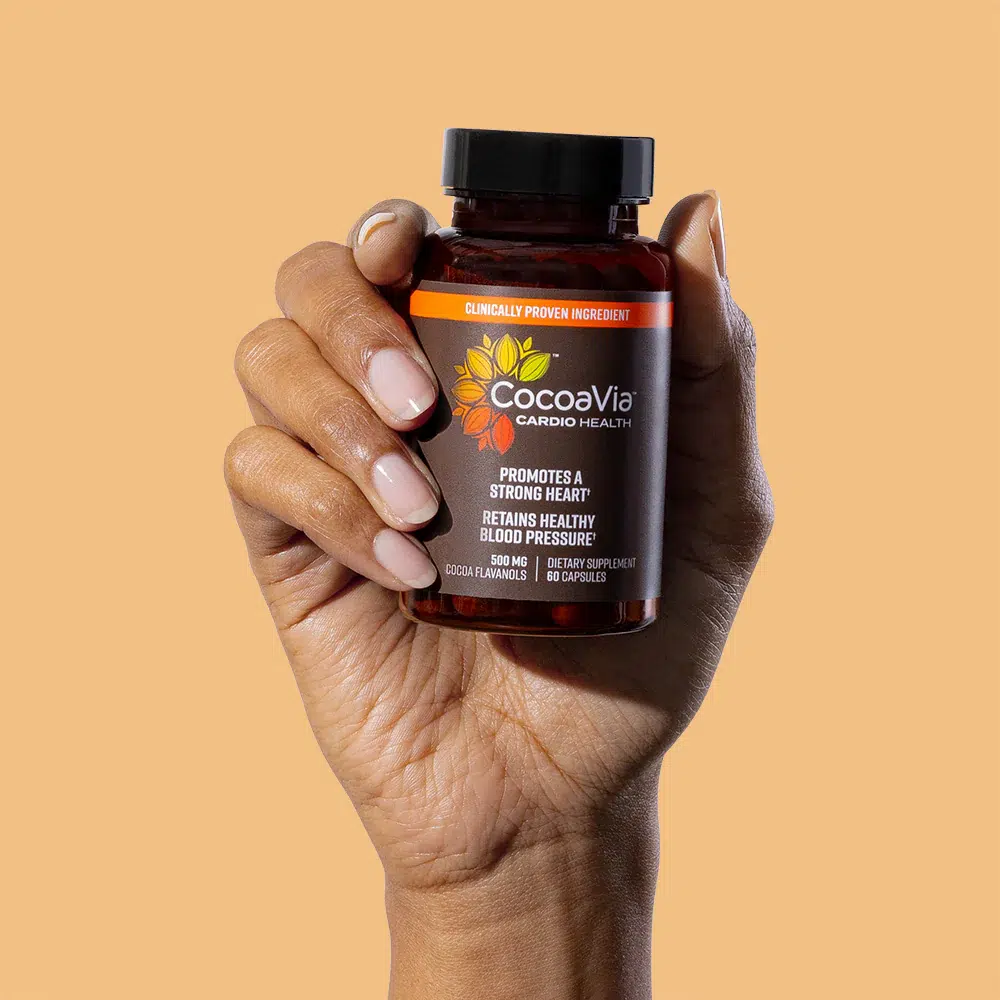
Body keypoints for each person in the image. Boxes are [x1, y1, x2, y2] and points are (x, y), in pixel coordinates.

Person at [224, 191, 773, 999]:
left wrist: (551, 854)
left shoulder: (639, 277)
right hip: (458, 603)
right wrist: (493, 884)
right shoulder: (461, 267)